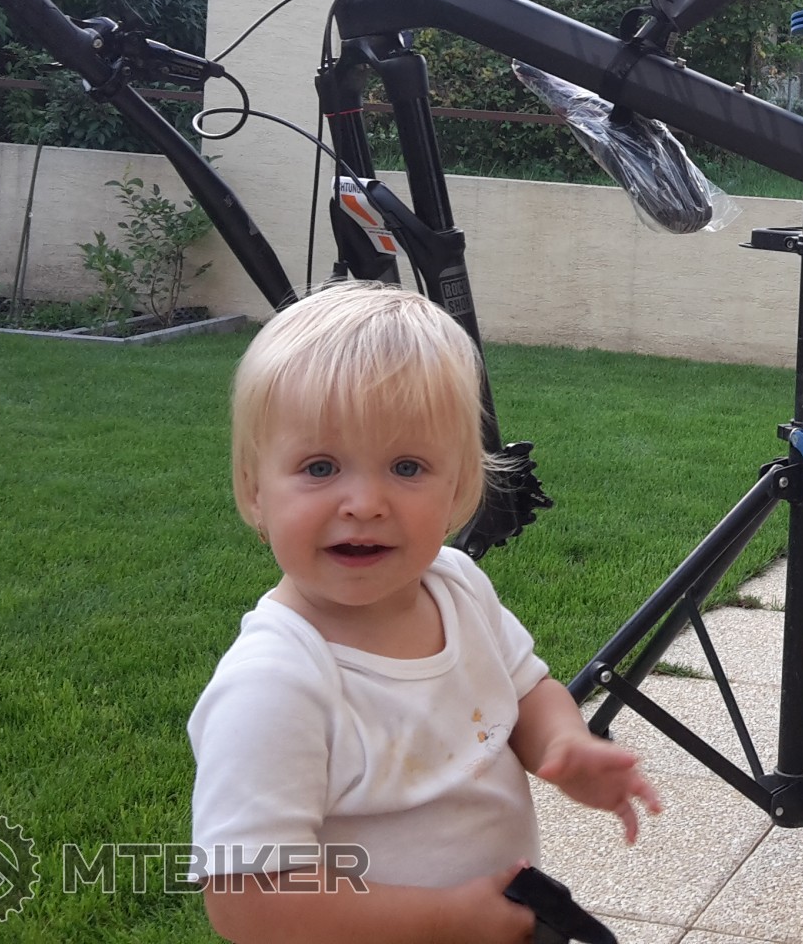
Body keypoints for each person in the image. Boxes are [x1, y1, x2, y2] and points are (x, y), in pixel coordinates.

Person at [187, 281, 660, 943]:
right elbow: (248, 901)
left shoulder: (456, 587)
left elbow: (527, 692)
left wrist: (563, 745)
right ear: (254, 490)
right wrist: (447, 919)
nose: (365, 503)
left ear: (460, 487)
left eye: (407, 467)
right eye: (320, 467)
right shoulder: (275, 684)